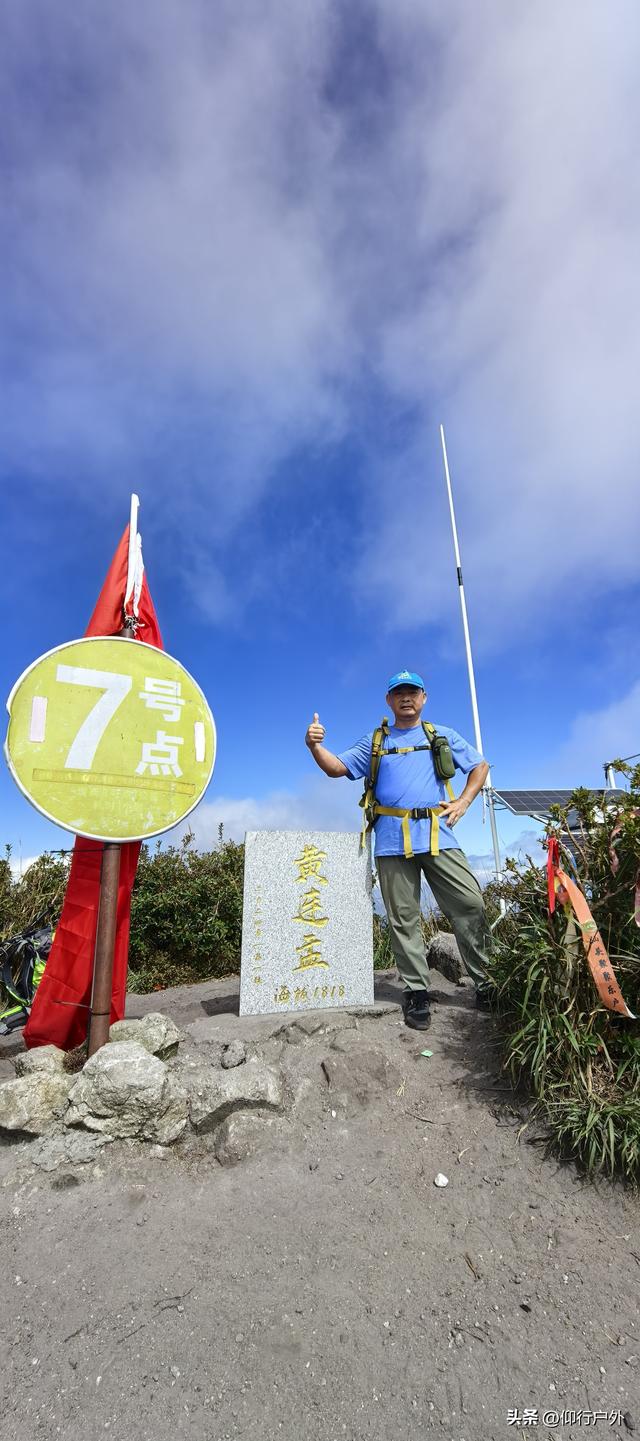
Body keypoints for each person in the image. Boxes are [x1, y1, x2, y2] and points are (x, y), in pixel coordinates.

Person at [304, 670, 492, 1030]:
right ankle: (417, 992)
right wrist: (315, 746)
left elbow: (480, 766)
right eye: (398, 692)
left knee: (470, 903)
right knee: (404, 917)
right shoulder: (376, 740)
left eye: (413, 692)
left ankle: (485, 982)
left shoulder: (441, 735)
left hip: (439, 834)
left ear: (424, 698)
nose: (406, 697)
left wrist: (464, 801)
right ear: (389, 700)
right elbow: (337, 768)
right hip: (391, 839)